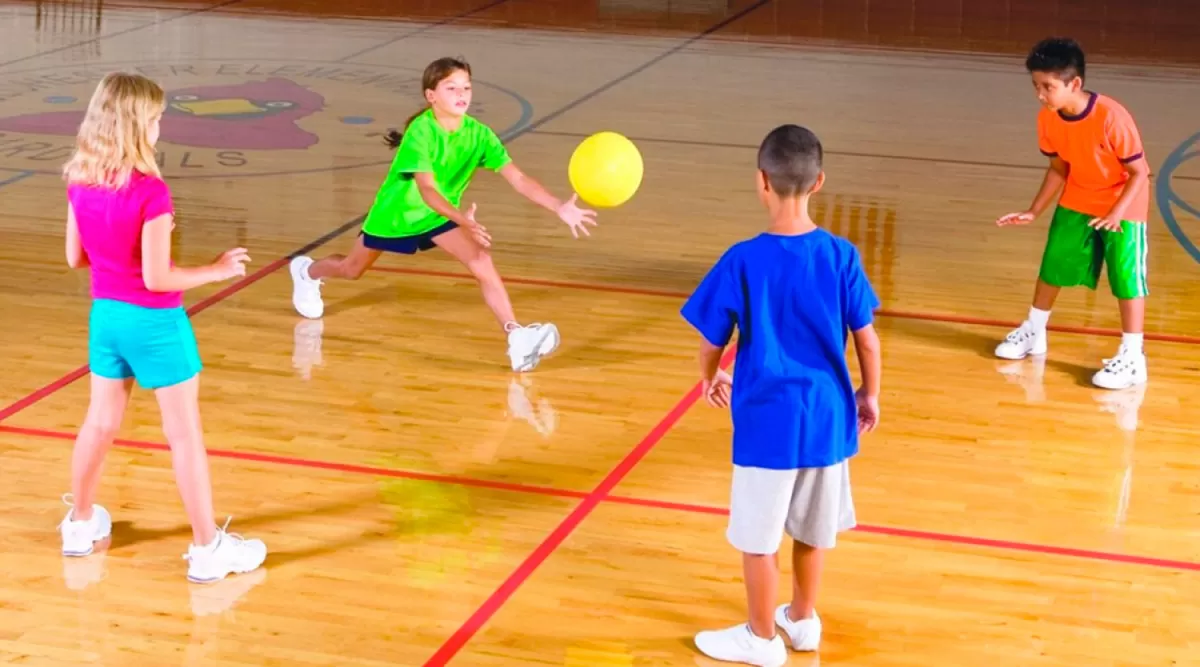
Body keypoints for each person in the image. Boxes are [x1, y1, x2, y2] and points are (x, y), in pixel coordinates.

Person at [682, 124, 882, 665]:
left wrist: (710, 377)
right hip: (826, 418)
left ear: (761, 182)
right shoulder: (842, 256)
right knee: (814, 529)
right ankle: (803, 618)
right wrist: (868, 395)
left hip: (767, 422)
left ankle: (761, 637)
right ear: (819, 182)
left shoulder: (743, 259)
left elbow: (710, 342)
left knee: (758, 538)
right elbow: (866, 339)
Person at [58, 72, 267, 583]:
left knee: (100, 423)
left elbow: (73, 258)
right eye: (154, 118)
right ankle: (206, 548)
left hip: (105, 316)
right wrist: (215, 270)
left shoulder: (80, 178)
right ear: (135, 124)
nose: (160, 126)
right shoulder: (152, 193)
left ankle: (80, 524)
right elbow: (156, 278)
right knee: (184, 435)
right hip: (155, 324)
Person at [288, 57, 597, 372]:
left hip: (438, 216)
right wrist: (464, 220)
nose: (461, 94)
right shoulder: (421, 133)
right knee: (351, 270)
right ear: (431, 96)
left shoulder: (480, 135)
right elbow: (427, 191)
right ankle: (307, 272)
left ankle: (515, 336)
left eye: (466, 87)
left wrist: (558, 206)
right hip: (396, 217)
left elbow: (517, 178)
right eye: (451, 88)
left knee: (481, 262)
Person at [995, 37, 1151, 390]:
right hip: (1077, 199)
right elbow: (1058, 170)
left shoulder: (1112, 117)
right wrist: (1034, 211)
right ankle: (1035, 331)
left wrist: (1116, 213)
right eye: (1036, 86)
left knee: (1126, 279)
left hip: (1124, 205)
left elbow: (1141, 172)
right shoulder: (1048, 119)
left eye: (1048, 87)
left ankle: (1132, 356)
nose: (1040, 94)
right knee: (1053, 265)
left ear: (1074, 83)